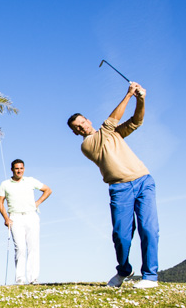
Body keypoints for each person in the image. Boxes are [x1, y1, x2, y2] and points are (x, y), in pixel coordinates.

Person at [67, 81, 159, 288]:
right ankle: (124, 269)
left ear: (88, 120)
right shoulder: (88, 145)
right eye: (77, 127)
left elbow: (136, 121)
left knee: (149, 229)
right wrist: (128, 95)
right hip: (120, 188)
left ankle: (150, 276)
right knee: (121, 235)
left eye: (83, 122)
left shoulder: (113, 133)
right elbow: (110, 123)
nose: (82, 127)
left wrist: (140, 100)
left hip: (144, 181)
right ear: (76, 132)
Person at [0, 159, 52, 284]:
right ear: (12, 169)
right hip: (15, 218)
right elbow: (0, 203)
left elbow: (48, 190)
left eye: (21, 168)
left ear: (24, 169)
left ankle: (33, 278)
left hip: (31, 216)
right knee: (20, 248)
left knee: (33, 247)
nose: (19, 171)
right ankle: (20, 279)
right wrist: (6, 218)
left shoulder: (30, 181)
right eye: (16, 168)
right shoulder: (5, 184)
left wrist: (37, 203)